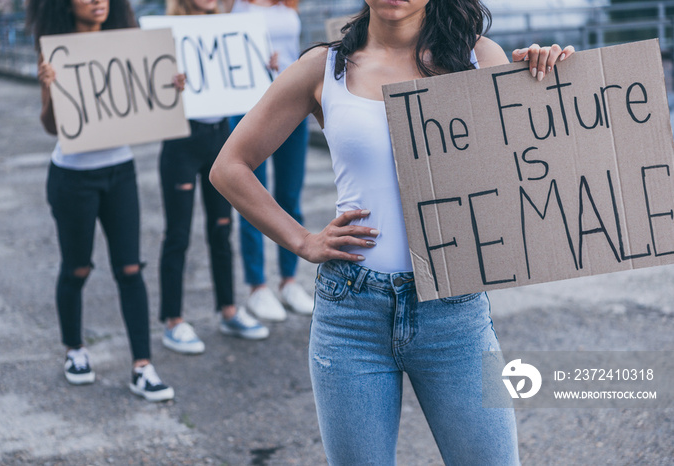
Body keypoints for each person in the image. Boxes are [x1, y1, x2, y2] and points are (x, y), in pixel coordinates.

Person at [211, 0, 574, 462]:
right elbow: (230, 166)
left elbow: (531, 165)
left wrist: (550, 79)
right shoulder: (323, 68)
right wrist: (302, 241)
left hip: (453, 313)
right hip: (351, 316)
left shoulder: (480, 58)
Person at [26, 0, 175, 401]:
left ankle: (142, 366)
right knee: (77, 268)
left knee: (130, 268)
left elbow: (149, 101)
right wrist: (49, 87)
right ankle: (75, 349)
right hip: (72, 176)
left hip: (119, 171)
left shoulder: (125, 45)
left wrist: (170, 89)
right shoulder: (55, 50)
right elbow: (51, 126)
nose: (98, 1)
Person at [158, 0, 269, 355]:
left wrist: (264, 69)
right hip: (181, 140)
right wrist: (167, 85)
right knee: (178, 233)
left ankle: (228, 310)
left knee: (222, 228)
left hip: (219, 137)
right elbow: (151, 96)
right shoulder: (165, 35)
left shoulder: (229, 30)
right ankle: (173, 321)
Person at [222, 0, 315, 322]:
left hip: (292, 106)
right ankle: (257, 286)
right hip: (249, 106)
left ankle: (289, 281)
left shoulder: (289, 4)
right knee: (252, 195)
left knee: (290, 194)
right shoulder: (234, 6)